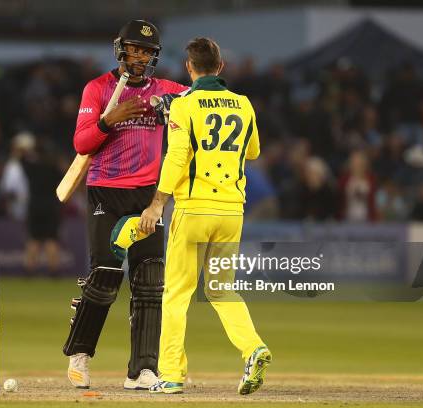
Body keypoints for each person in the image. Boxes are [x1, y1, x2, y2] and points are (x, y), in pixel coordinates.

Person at [138, 37, 271, 395]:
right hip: (231, 211)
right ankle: (253, 348)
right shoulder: (243, 105)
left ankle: (171, 375)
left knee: (177, 294)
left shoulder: (185, 104)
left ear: (189, 68)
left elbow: (177, 157)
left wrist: (157, 203)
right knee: (222, 290)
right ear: (221, 67)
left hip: (194, 208)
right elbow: (254, 151)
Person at [63, 20, 188, 390]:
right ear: (121, 50)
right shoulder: (98, 88)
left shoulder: (165, 89)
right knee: (103, 277)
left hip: (148, 195)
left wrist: (178, 105)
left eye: (147, 51)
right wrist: (107, 120)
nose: (141, 57)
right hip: (106, 191)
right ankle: (80, 356)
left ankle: (143, 370)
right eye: (135, 49)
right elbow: (82, 143)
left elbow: (205, 96)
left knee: (150, 281)